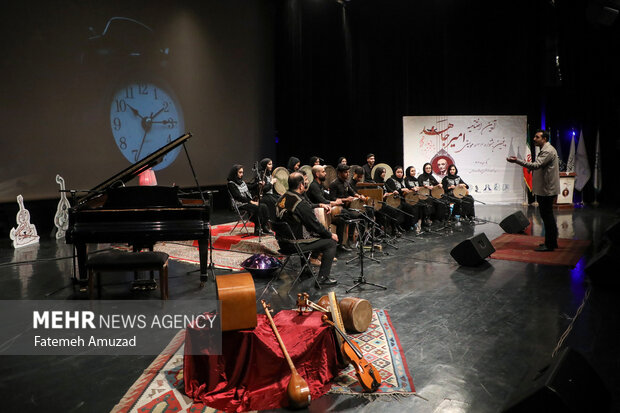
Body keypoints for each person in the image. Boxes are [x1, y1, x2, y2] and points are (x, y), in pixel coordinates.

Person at [275, 172, 339, 285]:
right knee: (330, 242)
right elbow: (314, 225)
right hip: (294, 244)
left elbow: (304, 209)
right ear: (301, 185)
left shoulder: (282, 198)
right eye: (304, 183)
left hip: (281, 242)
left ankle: (306, 271)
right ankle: (323, 278)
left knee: (306, 233)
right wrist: (330, 235)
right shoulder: (299, 202)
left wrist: (318, 205)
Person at [507, 129, 560, 251]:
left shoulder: (548, 150)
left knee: (547, 217)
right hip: (545, 189)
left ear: (544, 139)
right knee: (547, 217)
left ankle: (550, 244)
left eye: (537, 137)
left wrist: (517, 161)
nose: (534, 139)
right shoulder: (546, 149)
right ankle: (551, 242)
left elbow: (536, 165)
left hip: (547, 190)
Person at [227, 164, 272, 236]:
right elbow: (238, 197)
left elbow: (249, 187)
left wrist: (258, 183)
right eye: (240, 172)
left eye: (242, 172)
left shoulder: (241, 181)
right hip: (239, 203)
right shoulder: (231, 184)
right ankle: (257, 229)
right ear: (235, 173)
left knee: (264, 206)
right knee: (257, 207)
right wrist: (251, 202)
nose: (242, 174)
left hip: (247, 202)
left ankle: (264, 226)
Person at [385, 166, 419, 231]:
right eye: (398, 172)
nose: (400, 174)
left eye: (401, 172)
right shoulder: (391, 180)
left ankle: (410, 224)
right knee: (406, 207)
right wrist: (401, 190)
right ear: (394, 172)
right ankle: (400, 226)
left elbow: (407, 187)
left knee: (413, 205)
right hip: (394, 200)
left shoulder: (403, 180)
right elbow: (392, 191)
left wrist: (412, 188)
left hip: (403, 198)